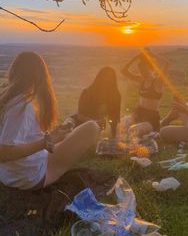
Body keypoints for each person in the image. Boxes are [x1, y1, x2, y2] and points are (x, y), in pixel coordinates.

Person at [0, 51, 100, 190]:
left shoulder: (8, 99)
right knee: (92, 127)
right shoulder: (21, 106)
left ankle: (68, 126)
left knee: (67, 130)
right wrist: (47, 142)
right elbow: (4, 153)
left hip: (10, 175)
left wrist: (52, 137)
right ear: (39, 76)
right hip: (29, 177)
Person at [121, 48, 169, 133]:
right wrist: (136, 57)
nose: (143, 72)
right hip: (138, 114)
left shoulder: (158, 81)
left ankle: (156, 128)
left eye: (146, 70)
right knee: (120, 125)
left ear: (152, 69)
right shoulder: (141, 79)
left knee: (133, 130)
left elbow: (167, 64)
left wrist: (152, 54)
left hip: (150, 120)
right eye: (141, 70)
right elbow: (123, 71)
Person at [72, 67, 121, 139]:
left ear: (113, 81)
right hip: (80, 124)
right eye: (104, 78)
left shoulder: (115, 96)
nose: (106, 81)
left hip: (97, 128)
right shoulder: (87, 92)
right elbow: (79, 116)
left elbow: (114, 119)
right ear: (99, 78)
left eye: (110, 79)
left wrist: (113, 137)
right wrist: (94, 122)